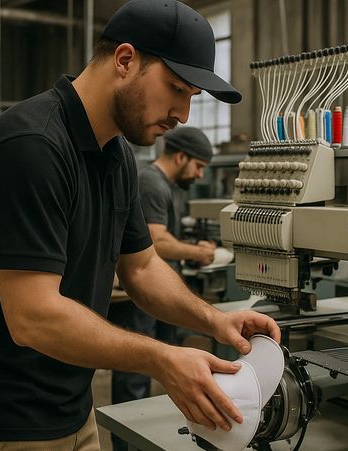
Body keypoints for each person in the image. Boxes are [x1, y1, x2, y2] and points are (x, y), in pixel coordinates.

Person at [0, 1, 280, 450]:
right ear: (125, 60)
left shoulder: (116, 155)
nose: (182, 114)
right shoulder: (31, 147)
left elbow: (142, 269)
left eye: (192, 98)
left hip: (73, 406)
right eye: (176, 89)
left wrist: (214, 320)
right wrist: (162, 359)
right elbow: (32, 317)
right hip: (8, 419)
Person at [108, 127, 216, 451]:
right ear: (181, 156)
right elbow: (155, 242)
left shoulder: (164, 186)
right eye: (198, 166)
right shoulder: (152, 182)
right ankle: (125, 444)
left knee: (148, 375)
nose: (199, 175)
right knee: (133, 380)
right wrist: (197, 252)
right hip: (139, 298)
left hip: (152, 299)